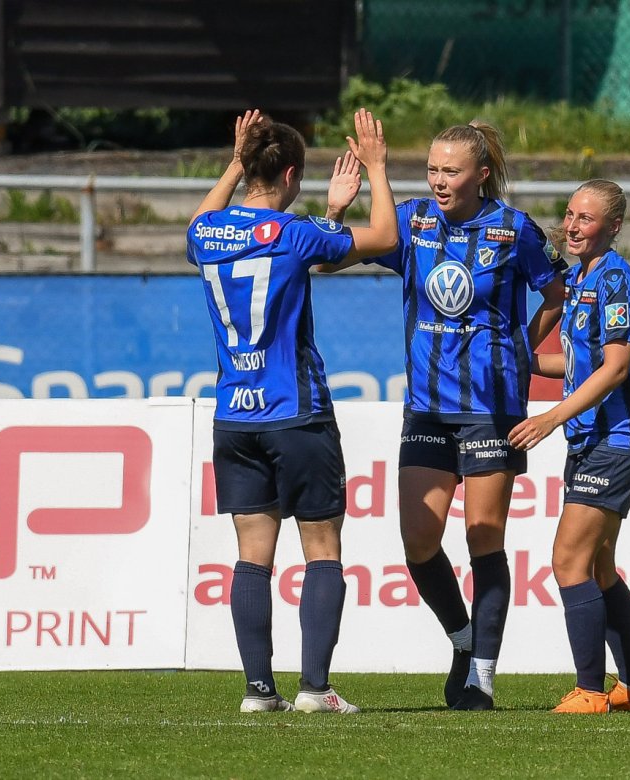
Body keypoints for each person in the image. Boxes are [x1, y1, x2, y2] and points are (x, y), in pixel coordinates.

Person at [326, 120, 566, 710]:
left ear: (480, 174)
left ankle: (482, 674)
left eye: (450, 171)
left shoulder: (514, 229)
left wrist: (522, 348)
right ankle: (463, 639)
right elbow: (333, 258)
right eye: (432, 169)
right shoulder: (411, 221)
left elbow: (556, 291)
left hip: (492, 406)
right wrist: (337, 212)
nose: (438, 180)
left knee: (483, 537)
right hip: (428, 408)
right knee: (418, 541)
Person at [186, 108, 397, 714]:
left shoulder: (208, 232)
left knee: (252, 554)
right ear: (290, 175)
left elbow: (200, 224)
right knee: (322, 547)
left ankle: (258, 690)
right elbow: (384, 237)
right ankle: (314, 689)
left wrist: (235, 164)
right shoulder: (294, 234)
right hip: (296, 413)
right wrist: (375, 169)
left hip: (236, 416)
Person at [508, 179, 630, 714]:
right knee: (597, 568)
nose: (572, 226)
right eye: (570, 214)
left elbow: (615, 369)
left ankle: (591, 691)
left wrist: (551, 417)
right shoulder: (578, 279)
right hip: (593, 440)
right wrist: (517, 360)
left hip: (617, 440)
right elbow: (577, 364)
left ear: (613, 227)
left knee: (568, 561)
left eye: (585, 219)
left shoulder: (615, 280)